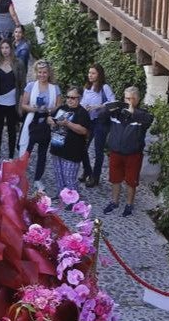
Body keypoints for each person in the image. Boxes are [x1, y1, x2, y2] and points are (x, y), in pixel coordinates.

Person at [103, 86, 154, 217]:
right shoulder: (117, 112)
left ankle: (129, 204)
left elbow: (149, 120)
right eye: (126, 98)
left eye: (132, 99)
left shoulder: (142, 115)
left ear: (137, 100)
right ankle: (114, 202)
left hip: (133, 154)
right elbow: (102, 116)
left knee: (131, 181)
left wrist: (133, 112)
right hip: (116, 151)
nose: (129, 101)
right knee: (115, 178)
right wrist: (108, 108)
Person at [21, 60, 60, 190]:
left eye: (45, 72)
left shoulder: (55, 88)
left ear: (49, 74)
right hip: (33, 120)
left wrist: (50, 110)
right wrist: (34, 109)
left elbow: (59, 105)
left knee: (42, 153)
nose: (42, 75)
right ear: (36, 73)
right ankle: (21, 175)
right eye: (40, 72)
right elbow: (23, 104)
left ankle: (38, 178)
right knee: (27, 149)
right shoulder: (31, 86)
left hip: (47, 122)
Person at [48, 88, 92, 194]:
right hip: (57, 148)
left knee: (69, 178)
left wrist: (68, 124)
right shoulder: (62, 108)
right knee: (59, 176)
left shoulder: (82, 112)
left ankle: (73, 200)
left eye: (72, 97)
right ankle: (61, 195)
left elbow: (84, 131)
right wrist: (50, 121)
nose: (69, 100)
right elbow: (52, 120)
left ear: (79, 98)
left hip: (72, 151)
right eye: (68, 97)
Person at [79, 64, 116, 187]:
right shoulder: (87, 87)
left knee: (98, 150)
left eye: (93, 73)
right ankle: (87, 171)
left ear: (99, 75)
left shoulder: (104, 87)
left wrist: (98, 106)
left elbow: (113, 102)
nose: (90, 75)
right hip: (89, 121)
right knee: (83, 148)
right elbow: (83, 102)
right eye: (89, 73)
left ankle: (95, 177)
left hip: (100, 121)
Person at [0, 39, 23, 159]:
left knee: (12, 130)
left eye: (7, 47)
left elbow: (22, 84)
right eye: (2, 48)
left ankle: (10, 156)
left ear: (11, 48)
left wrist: (20, 103)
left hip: (12, 102)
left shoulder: (18, 63)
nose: (5, 50)